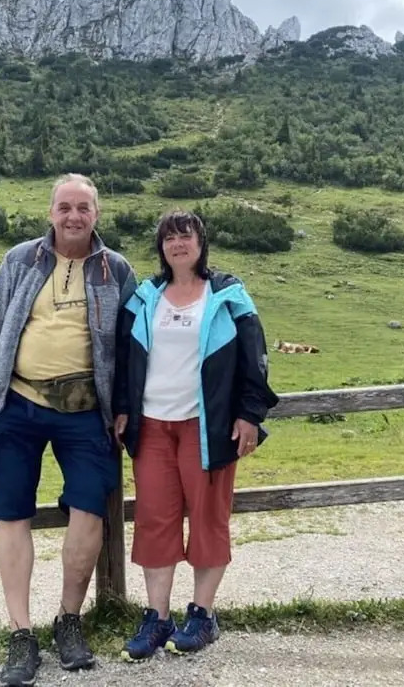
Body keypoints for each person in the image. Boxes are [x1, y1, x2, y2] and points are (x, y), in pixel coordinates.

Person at [0, 173, 137, 687]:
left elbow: (131, 346)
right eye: (65, 207)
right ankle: (21, 632)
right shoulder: (20, 260)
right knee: (11, 510)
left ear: (96, 214)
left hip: (86, 410)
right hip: (18, 404)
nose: (73, 216)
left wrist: (124, 406)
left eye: (83, 207)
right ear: (51, 212)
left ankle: (68, 620)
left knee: (90, 508)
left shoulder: (115, 269)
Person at [113, 208, 279, 662]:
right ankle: (157, 618)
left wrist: (249, 414)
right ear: (161, 247)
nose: (178, 244)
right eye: (169, 237)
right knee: (154, 519)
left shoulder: (228, 296)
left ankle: (202, 615)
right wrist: (123, 408)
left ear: (201, 243)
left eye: (186, 235)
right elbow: (125, 360)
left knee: (208, 517)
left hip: (207, 426)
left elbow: (255, 358)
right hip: (152, 425)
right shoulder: (144, 297)